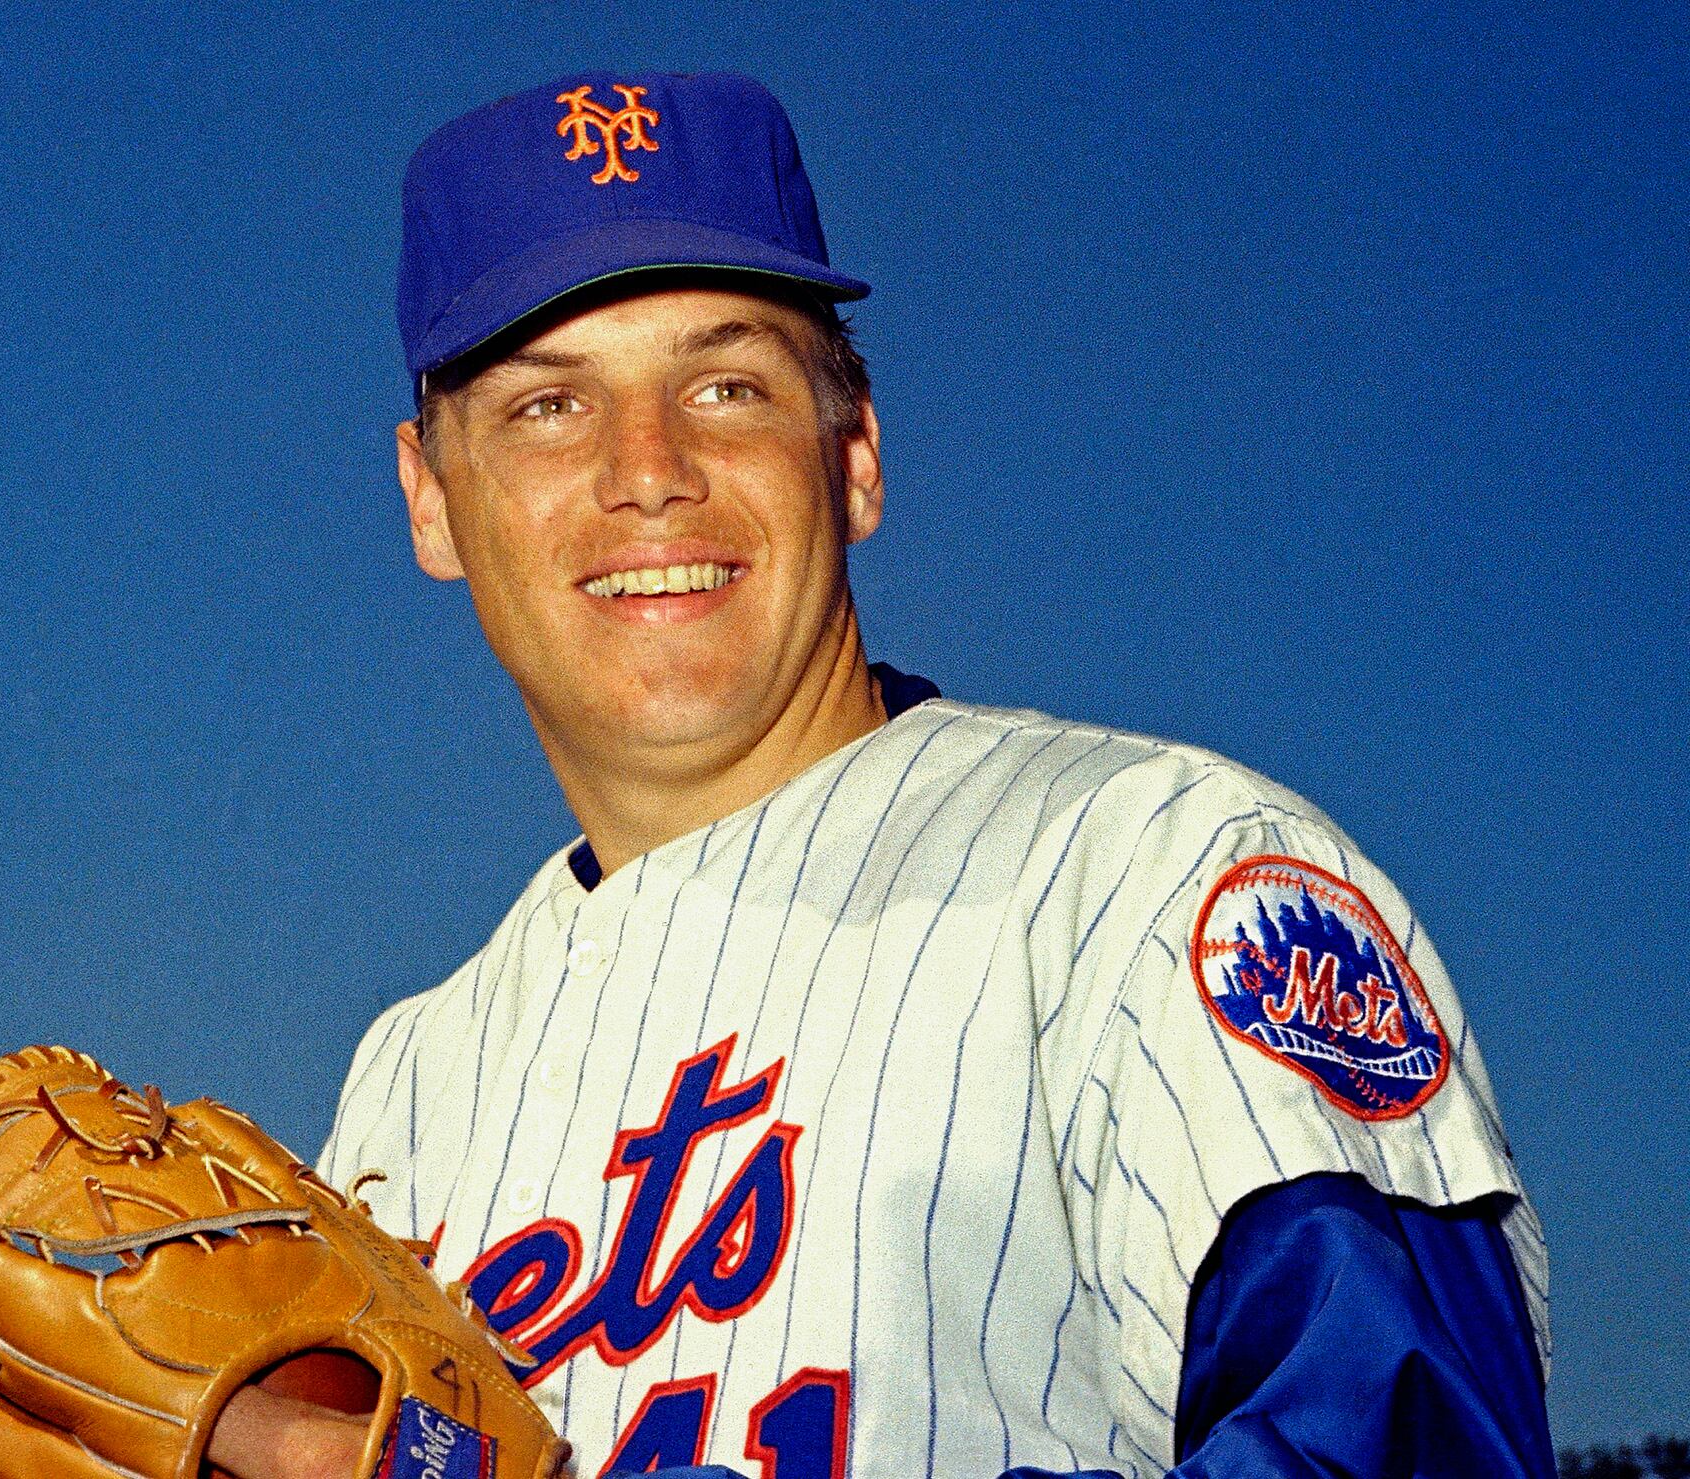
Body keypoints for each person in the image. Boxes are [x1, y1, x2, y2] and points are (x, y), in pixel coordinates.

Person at [218, 72, 1557, 1478]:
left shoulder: (1165, 874)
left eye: (724, 385)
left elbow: (1405, 1446)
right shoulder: (405, 1092)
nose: (647, 469)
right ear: (432, 501)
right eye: (549, 407)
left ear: (853, 454)